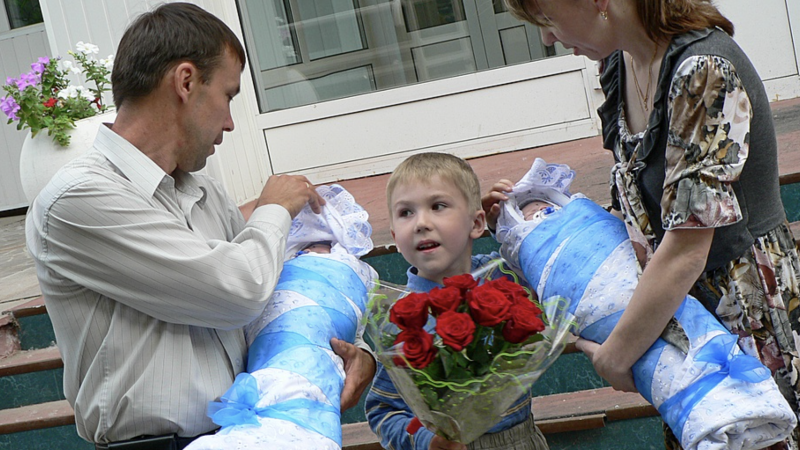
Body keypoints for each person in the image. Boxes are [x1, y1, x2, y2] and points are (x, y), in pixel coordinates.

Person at [24, 3, 374, 449]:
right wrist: (275, 209)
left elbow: (275, 292)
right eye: (228, 96)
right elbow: (238, 289)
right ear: (186, 82)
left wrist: (357, 349)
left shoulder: (202, 190)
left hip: (245, 431)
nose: (229, 122)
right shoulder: (77, 199)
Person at [502, 0, 800, 448]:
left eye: (546, 17)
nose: (547, 37)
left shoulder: (704, 70)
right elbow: (643, 213)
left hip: (744, 314)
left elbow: (686, 249)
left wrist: (616, 355)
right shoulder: (619, 64)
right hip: (676, 315)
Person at [485, 158, 796, 449]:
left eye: (545, 209)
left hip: (739, 284)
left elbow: (687, 250)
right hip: (649, 294)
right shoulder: (614, 107)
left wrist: (614, 356)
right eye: (533, 214)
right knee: (678, 383)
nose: (542, 215)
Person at [365, 152, 550, 450]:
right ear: (395, 237)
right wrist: (427, 441)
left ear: (475, 223)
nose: (421, 223)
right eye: (406, 213)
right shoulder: (398, 319)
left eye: (438, 206)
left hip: (519, 440)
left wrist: (500, 224)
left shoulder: (503, 275)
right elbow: (383, 411)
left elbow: (541, 261)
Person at [188, 184, 377, 450]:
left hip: (264, 396)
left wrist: (364, 356)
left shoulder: (212, 199)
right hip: (240, 403)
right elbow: (246, 282)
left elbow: (340, 317)